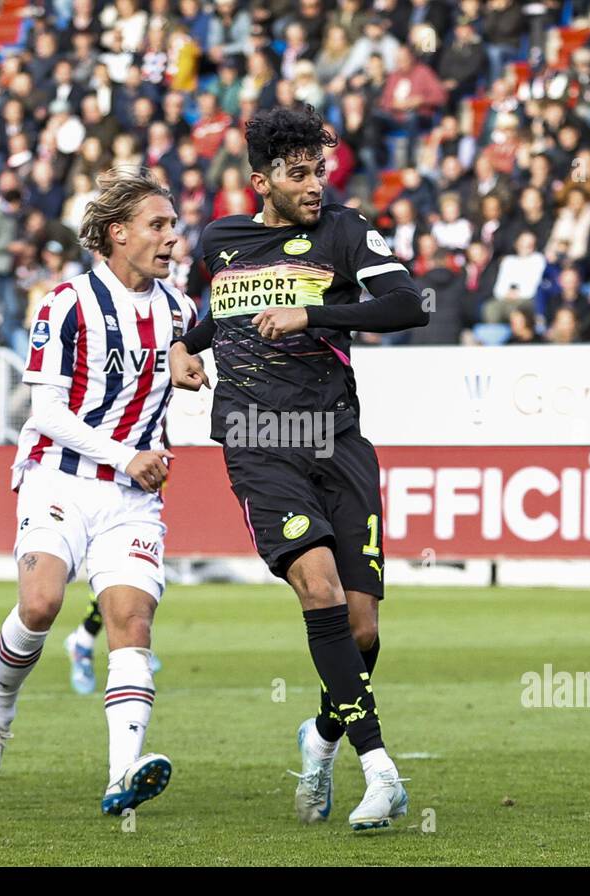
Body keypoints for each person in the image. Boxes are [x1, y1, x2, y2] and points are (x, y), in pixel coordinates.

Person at [169, 104, 427, 831]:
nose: (315, 183)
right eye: (298, 172)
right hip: (256, 439)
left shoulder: (344, 232)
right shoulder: (221, 241)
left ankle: (319, 735)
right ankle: (381, 770)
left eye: (321, 170)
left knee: (363, 628)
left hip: (338, 440)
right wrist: (185, 350)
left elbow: (409, 305)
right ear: (262, 180)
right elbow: (206, 320)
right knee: (317, 589)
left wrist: (313, 315)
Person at [0, 168, 194, 816]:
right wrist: (128, 454)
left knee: (131, 621)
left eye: (172, 224)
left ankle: (123, 774)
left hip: (133, 498)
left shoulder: (181, 309)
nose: (171, 236)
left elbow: (189, 360)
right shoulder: (65, 303)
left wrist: (192, 363)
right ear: (118, 234)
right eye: (158, 224)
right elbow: (46, 411)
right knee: (39, 605)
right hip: (59, 474)